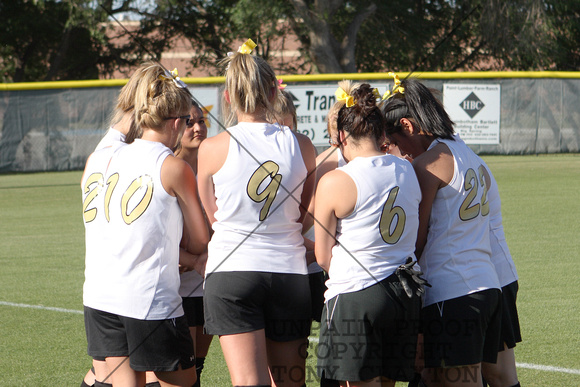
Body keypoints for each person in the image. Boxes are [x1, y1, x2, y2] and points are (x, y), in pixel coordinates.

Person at [197, 39, 317, 387]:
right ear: (272, 91)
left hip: (232, 272)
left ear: (229, 97)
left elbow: (213, 216)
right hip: (288, 273)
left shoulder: (212, 148)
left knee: (250, 383)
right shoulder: (302, 144)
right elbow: (304, 216)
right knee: (291, 382)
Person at [81, 62, 209, 387]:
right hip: (148, 302)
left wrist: (143, 87)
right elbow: (201, 241)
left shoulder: (99, 157)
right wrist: (193, 256)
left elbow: (120, 127)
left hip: (99, 298)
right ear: (178, 122)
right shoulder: (172, 167)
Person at [382, 78, 502, 387]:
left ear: (407, 125)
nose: (399, 151)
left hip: (454, 291)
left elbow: (416, 239)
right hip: (486, 284)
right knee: (434, 378)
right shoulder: (468, 154)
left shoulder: (428, 164)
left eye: (395, 141)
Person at [314, 83, 423, 387]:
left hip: (358, 294)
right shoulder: (407, 169)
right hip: (404, 292)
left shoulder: (337, 179)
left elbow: (323, 257)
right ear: (381, 133)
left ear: (341, 137)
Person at [82, 62, 152, 387]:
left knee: (106, 374)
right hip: (124, 286)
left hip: (100, 288)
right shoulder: (122, 152)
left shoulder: (104, 150)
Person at [175, 100, 214, 387]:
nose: (198, 127)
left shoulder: (211, 163)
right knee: (183, 368)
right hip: (178, 284)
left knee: (197, 367)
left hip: (208, 281)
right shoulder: (168, 166)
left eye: (201, 121)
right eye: (190, 122)